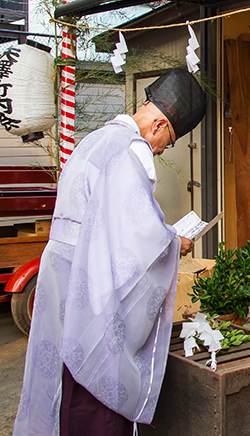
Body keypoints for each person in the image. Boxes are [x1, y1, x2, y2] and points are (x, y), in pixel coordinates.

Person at [14, 68, 206, 436]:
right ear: (159, 125)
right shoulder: (128, 151)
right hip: (93, 277)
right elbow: (135, 236)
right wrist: (172, 243)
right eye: (169, 140)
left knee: (66, 365)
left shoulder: (96, 140)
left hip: (62, 269)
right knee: (99, 368)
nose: (164, 148)